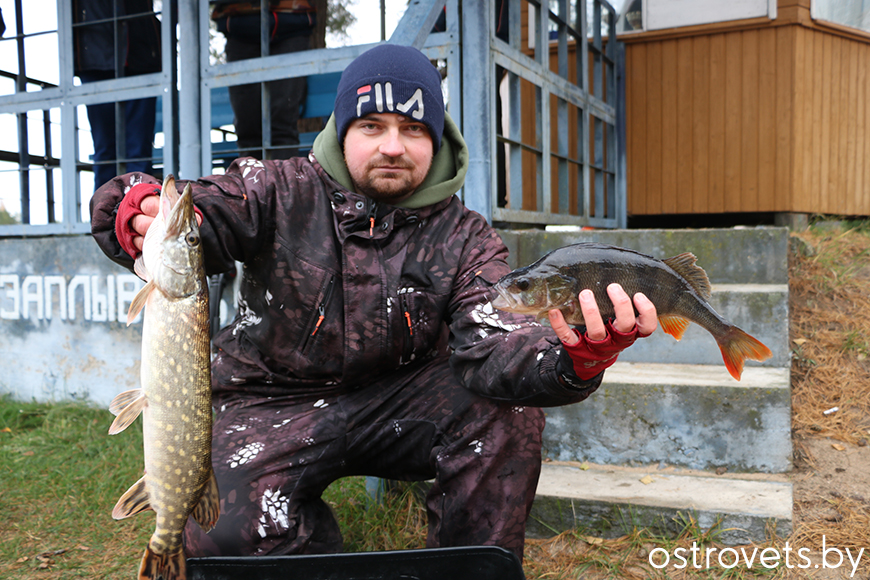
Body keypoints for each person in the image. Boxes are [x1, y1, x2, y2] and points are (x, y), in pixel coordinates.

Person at [90, 44, 657, 560]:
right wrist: (132, 207)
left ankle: (465, 569)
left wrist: (573, 358)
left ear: (437, 137)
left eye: (413, 128)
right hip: (267, 403)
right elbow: (197, 214)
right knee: (220, 532)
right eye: (371, 125)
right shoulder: (275, 188)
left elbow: (497, 343)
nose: (392, 146)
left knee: (504, 410)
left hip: (400, 406)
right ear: (342, 130)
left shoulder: (467, 237)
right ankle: (309, 544)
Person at [73, 0, 161, 189]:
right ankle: (104, 213)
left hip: (140, 54)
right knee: (105, 150)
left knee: (138, 150)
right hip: (96, 56)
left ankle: (139, 210)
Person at [212, 0, 316, 159]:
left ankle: (284, 181)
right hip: (239, 24)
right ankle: (250, 182)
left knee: (283, 124)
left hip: (293, 20)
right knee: (247, 128)